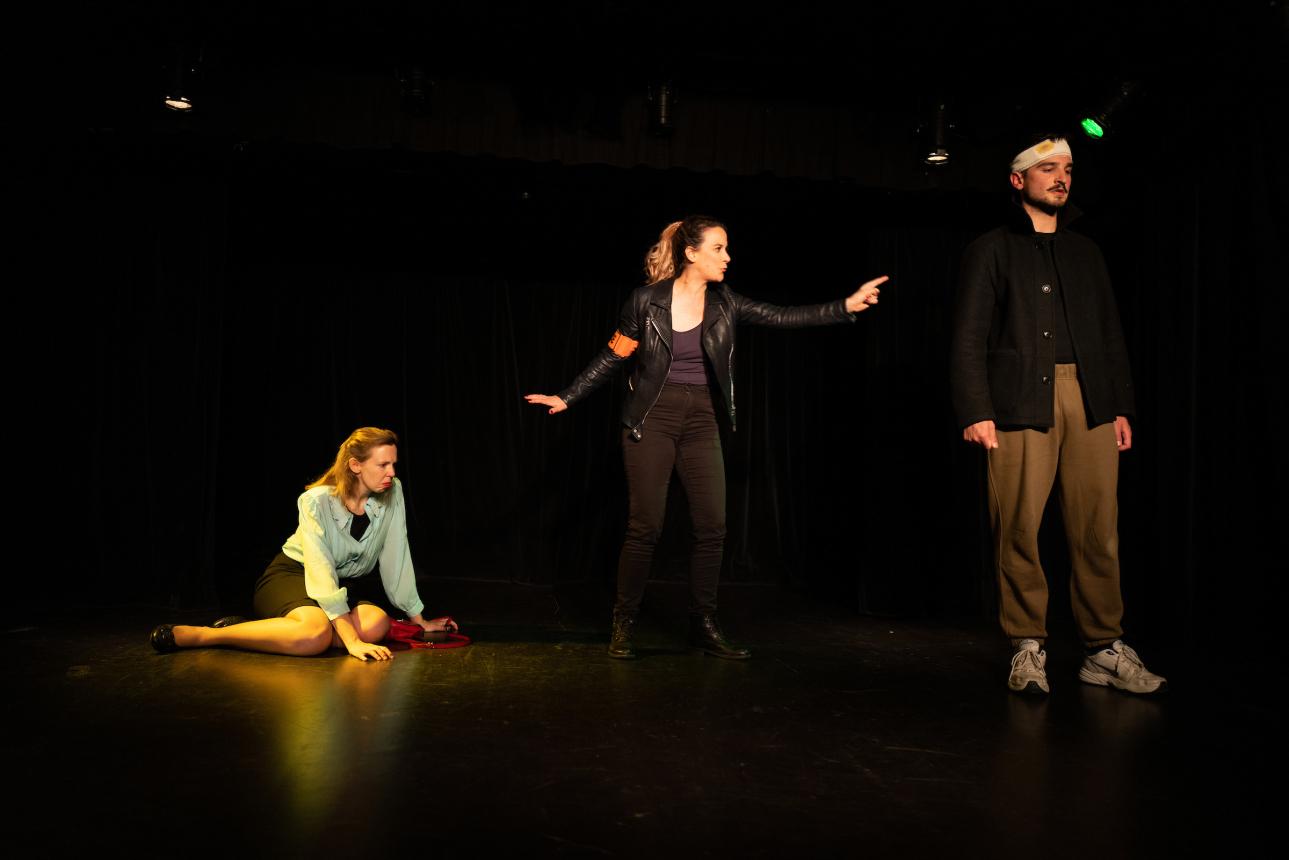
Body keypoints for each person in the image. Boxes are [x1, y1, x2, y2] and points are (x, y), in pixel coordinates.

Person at [525, 215, 888, 660]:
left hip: (701, 419)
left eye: (726, 248)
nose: (728, 257)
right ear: (691, 253)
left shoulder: (726, 302)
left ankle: (704, 624)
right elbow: (614, 354)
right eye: (719, 248)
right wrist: (567, 395)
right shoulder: (646, 302)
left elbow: (782, 316)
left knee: (712, 526)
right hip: (651, 419)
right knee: (645, 527)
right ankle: (624, 622)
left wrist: (845, 306)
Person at [950, 135, 1166, 695]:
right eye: (1047, 168)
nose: (1061, 177)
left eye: (1067, 168)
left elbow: (1110, 332)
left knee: (1098, 528)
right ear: (1018, 179)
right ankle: (1027, 644)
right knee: (1019, 527)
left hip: (1089, 398)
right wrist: (976, 408)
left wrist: (1118, 405)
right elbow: (969, 336)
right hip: (1019, 400)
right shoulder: (990, 249)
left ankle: (1103, 647)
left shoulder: (1085, 251)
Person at [150, 427, 456, 660]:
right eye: (383, 465)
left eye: (393, 464)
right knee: (315, 633)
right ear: (355, 465)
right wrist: (350, 640)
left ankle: (283, 634)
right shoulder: (315, 502)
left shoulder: (393, 491)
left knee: (377, 624)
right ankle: (209, 635)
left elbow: (396, 555)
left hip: (338, 583)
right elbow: (320, 571)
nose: (392, 472)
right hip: (293, 574)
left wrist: (419, 619)